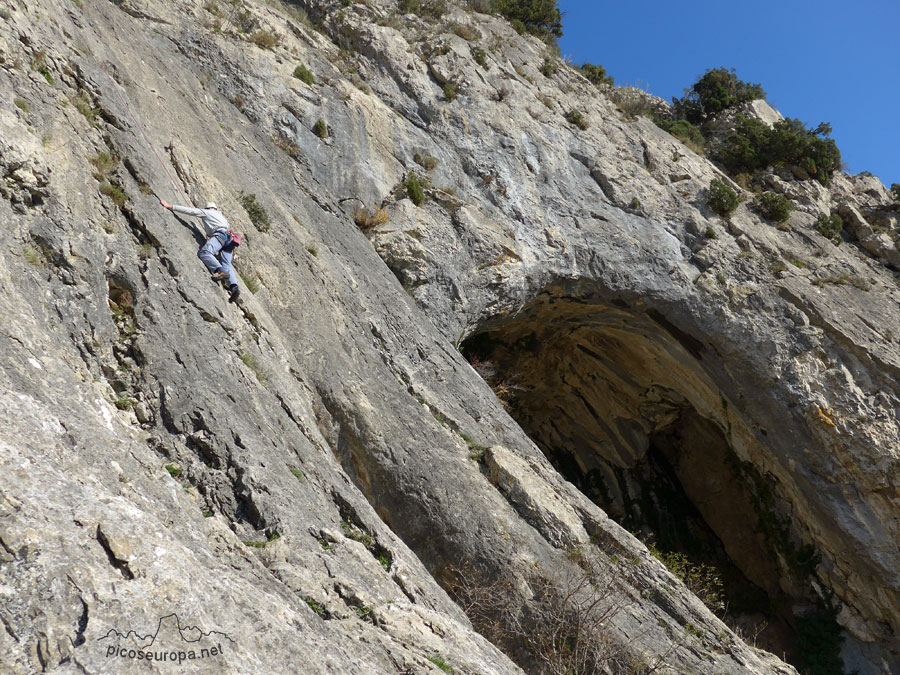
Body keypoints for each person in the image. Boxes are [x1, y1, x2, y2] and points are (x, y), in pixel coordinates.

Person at [160, 199, 240, 301]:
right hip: (229, 240)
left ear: (207, 208)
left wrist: (170, 206)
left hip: (220, 236)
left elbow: (190, 211)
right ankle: (234, 288)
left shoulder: (207, 212)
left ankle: (220, 271)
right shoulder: (223, 218)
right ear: (215, 208)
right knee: (227, 264)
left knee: (205, 253)